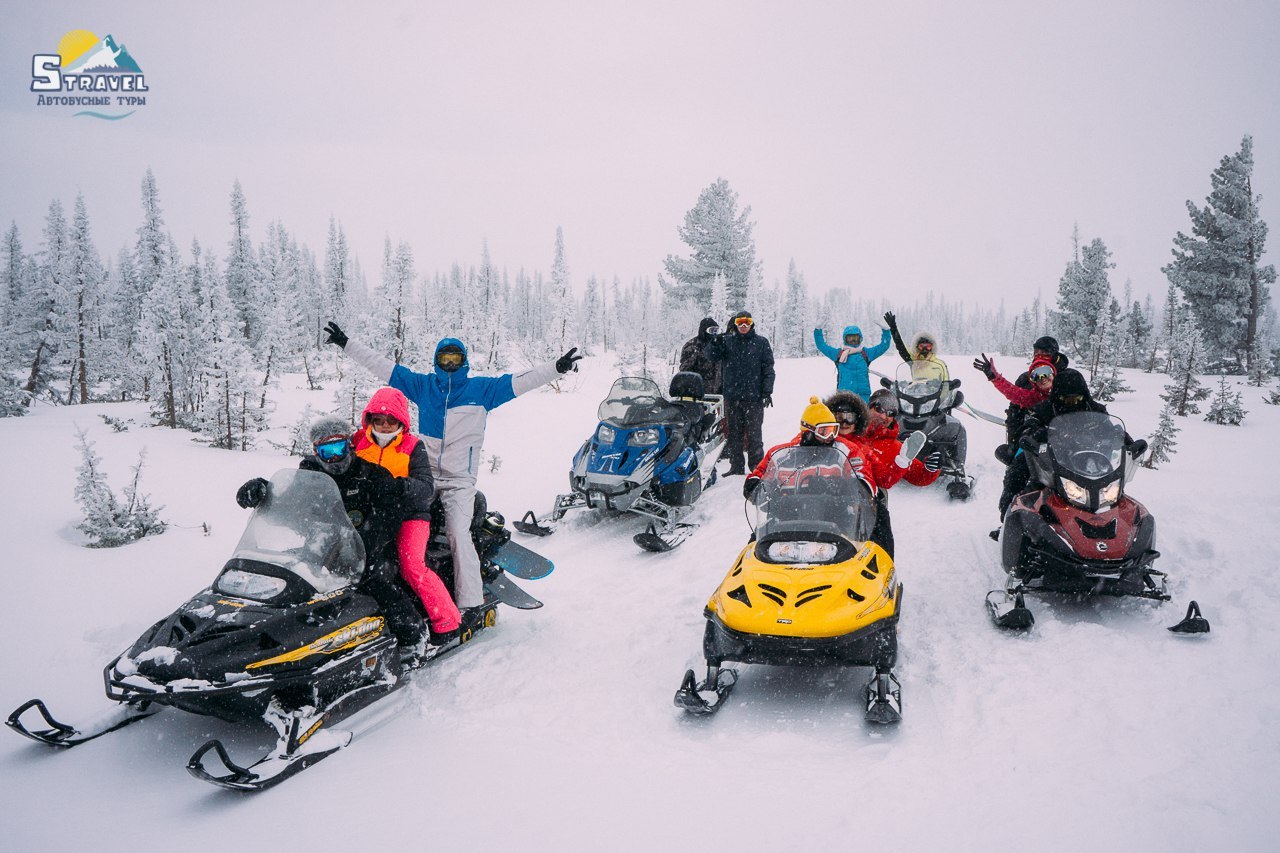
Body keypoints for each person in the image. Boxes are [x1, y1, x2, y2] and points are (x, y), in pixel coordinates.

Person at [324, 321, 581, 621]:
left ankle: (469, 603)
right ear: (436, 361)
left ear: (464, 362)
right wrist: (346, 343)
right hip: (425, 474)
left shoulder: (482, 390)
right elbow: (384, 367)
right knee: (389, 522)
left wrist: (557, 368)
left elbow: (522, 381)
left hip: (460, 480)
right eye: (444, 358)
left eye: (454, 359)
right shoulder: (423, 387)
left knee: (457, 532)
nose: (448, 364)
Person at [236, 416, 426, 650]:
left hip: (367, 550)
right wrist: (264, 490)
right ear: (317, 452)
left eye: (339, 447)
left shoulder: (371, 474)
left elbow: (389, 513)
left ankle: (414, 639)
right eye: (327, 451)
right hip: (321, 546)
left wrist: (367, 537)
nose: (335, 457)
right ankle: (279, 636)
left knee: (378, 584)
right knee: (289, 580)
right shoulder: (310, 474)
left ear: (350, 445)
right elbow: (289, 502)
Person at [354, 386, 461, 644]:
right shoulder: (357, 441)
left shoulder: (413, 446)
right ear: (369, 420)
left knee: (412, 565)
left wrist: (399, 486)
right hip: (369, 515)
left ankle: (447, 621)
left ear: (401, 421)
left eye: (391, 421)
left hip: (409, 515)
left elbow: (426, 487)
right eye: (378, 420)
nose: (385, 426)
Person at [998, 368, 1147, 527]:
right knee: (1018, 470)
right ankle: (1007, 518)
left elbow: (1110, 428)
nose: (1072, 403)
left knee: (1114, 491)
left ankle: (1118, 528)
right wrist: (1036, 434)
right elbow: (1028, 428)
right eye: (1065, 399)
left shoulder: (1096, 410)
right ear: (1056, 396)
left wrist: (1125, 440)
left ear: (1084, 395)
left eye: (1076, 399)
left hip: (1091, 460)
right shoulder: (1044, 409)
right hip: (1051, 461)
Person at [839, 389, 941, 558]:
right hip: (836, 497)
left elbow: (918, 475)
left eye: (890, 413)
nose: (884, 417)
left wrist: (930, 469)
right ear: (868, 407)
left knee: (879, 536)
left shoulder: (895, 447)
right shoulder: (849, 430)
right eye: (879, 409)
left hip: (868, 505)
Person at [743, 396, 868, 499]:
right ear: (808, 431)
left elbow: (864, 480)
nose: (831, 436)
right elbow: (760, 474)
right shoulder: (781, 454)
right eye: (824, 431)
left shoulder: (846, 450)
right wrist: (762, 489)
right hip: (788, 519)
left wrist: (840, 486)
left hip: (833, 519)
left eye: (834, 430)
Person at [706, 310, 775, 475]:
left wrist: (767, 391)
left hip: (754, 398)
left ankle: (757, 467)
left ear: (752, 324)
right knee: (734, 435)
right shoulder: (727, 341)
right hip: (732, 397)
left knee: (754, 435)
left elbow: (768, 368)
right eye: (740, 322)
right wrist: (714, 342)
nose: (743, 326)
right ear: (735, 324)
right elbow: (711, 356)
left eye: (747, 322)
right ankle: (736, 467)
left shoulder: (761, 343)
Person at [813, 323, 893, 401]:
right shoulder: (839, 355)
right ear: (845, 339)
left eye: (855, 338)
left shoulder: (866, 354)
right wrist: (818, 331)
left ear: (860, 339)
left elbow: (883, 346)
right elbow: (822, 346)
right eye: (850, 339)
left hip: (863, 396)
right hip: (843, 396)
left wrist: (886, 331)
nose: (853, 341)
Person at [883, 311, 949, 381]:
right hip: (915, 391)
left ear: (932, 347)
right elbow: (901, 347)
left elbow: (946, 383)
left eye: (928, 346)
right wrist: (893, 328)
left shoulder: (940, 364)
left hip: (935, 392)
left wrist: (950, 385)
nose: (925, 349)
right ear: (917, 347)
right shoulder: (913, 361)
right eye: (922, 346)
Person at [679, 318, 723, 395]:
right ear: (704, 330)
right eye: (711, 330)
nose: (714, 334)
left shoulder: (718, 346)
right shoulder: (692, 346)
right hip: (697, 392)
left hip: (717, 393)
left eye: (716, 330)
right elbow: (684, 369)